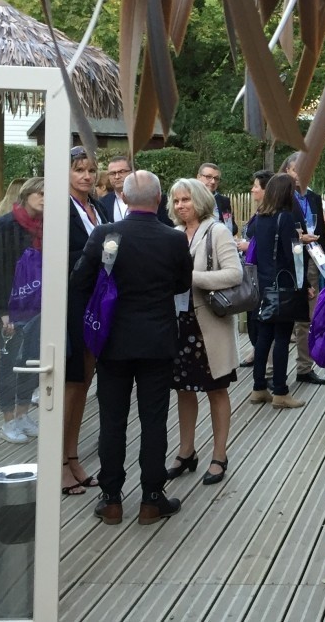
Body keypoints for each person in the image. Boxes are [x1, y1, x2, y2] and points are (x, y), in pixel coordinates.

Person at [72, 170, 192, 526]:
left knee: (112, 419)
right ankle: (152, 499)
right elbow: (181, 283)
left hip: (113, 341)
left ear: (123, 199)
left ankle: (111, 498)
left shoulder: (104, 234)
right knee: (154, 420)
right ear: (158, 201)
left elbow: (80, 280)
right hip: (156, 340)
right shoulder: (173, 239)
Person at [166, 178, 242, 486]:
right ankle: (186, 452)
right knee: (183, 390)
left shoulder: (217, 230)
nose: (180, 205)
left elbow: (235, 273)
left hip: (209, 325)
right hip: (179, 323)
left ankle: (219, 454)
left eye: (185, 199)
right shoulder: (172, 235)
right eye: (176, 201)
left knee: (216, 390)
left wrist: (191, 276)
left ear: (199, 200)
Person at [0, 177, 45, 444]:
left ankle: (23, 414)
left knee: (31, 360)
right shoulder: (4, 225)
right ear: (26, 195)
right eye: (40, 192)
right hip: (10, 305)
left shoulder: (46, 227)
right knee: (9, 361)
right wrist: (4, 312)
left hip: (38, 303)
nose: (45, 197)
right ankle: (8, 420)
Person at [62, 145, 108, 496]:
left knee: (84, 382)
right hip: (70, 302)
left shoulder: (100, 206)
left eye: (91, 170)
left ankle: (73, 456)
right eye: (79, 170)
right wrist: (99, 252)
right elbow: (55, 254)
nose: (87, 176)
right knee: (71, 383)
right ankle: (59, 463)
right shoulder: (60, 208)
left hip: (97, 302)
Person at [249, 173, 307, 409]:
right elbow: (292, 256)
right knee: (282, 338)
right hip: (282, 287)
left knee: (264, 338)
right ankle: (281, 391)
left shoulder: (260, 218)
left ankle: (258, 387)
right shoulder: (284, 218)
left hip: (263, 285)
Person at [281, 152, 325, 387]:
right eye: (295, 170)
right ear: (286, 171)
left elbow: (320, 231)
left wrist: (324, 262)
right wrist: (297, 239)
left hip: (311, 261)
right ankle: (273, 374)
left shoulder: (314, 198)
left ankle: (304, 368)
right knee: (281, 319)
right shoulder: (280, 198)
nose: (300, 175)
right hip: (286, 264)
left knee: (307, 318)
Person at [237, 169, 273, 368]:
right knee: (251, 316)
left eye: (256, 186)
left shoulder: (269, 215)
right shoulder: (260, 211)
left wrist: (248, 246)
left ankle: (265, 364)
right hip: (251, 273)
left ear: (266, 191)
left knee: (258, 318)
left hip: (260, 275)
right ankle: (257, 353)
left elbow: (266, 245)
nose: (252, 190)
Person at [103, 155, 172, 224]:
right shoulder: (103, 203)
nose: (117, 177)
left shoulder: (156, 198)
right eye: (112, 173)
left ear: (133, 172)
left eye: (122, 171)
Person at [197, 162, 238, 235]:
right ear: (198, 177)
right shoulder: (188, 199)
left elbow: (232, 226)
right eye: (208, 177)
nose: (213, 182)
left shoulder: (224, 201)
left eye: (216, 178)